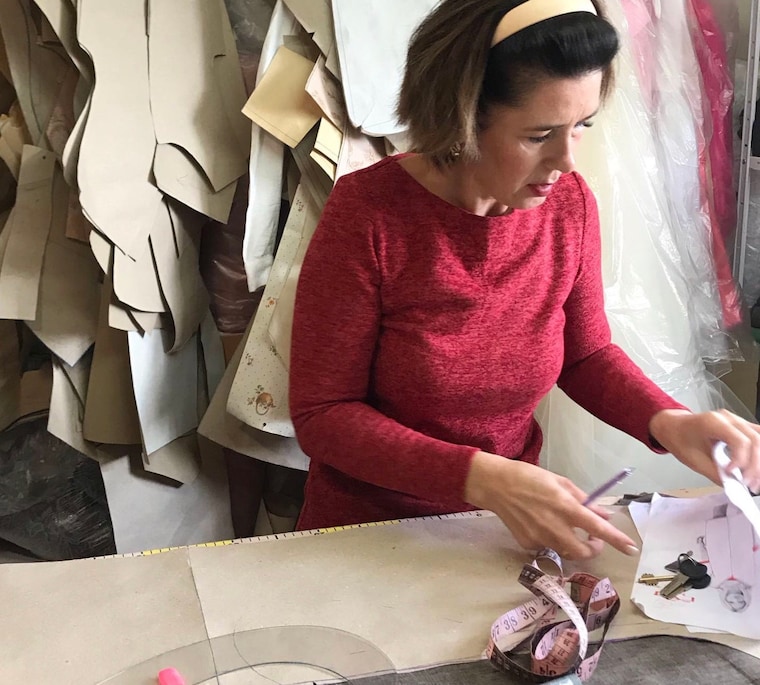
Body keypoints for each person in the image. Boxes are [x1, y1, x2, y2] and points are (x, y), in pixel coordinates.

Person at [289, 0, 760, 559]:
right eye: (539, 135)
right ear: (461, 118)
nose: (567, 161)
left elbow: (586, 355)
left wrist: (669, 421)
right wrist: (483, 477)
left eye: (582, 126)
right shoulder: (370, 216)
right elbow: (324, 416)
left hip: (501, 527)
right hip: (368, 535)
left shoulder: (568, 206)